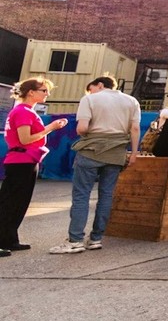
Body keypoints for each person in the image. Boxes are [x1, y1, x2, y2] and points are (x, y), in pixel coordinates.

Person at [50, 76, 141, 254]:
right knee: (106, 195)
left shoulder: (90, 99)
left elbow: (82, 129)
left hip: (90, 151)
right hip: (116, 153)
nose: (89, 92)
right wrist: (134, 153)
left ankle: (75, 240)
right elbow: (135, 128)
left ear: (100, 85)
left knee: (81, 196)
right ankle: (96, 238)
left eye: (90, 88)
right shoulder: (132, 101)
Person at [0, 78, 70, 255]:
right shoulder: (24, 112)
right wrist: (51, 127)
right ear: (31, 92)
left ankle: (9, 239)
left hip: (26, 160)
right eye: (43, 90)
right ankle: (4, 239)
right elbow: (25, 139)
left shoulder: (26, 111)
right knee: (10, 202)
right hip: (21, 161)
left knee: (18, 202)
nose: (47, 94)